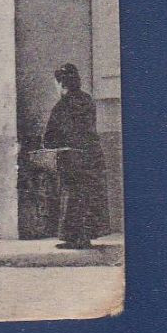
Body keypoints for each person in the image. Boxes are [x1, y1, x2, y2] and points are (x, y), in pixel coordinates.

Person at [43, 62, 111, 249]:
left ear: (61, 84)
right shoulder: (87, 100)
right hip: (92, 154)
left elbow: (50, 137)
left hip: (72, 156)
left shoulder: (62, 106)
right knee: (89, 195)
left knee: (72, 195)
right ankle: (86, 236)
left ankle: (74, 239)